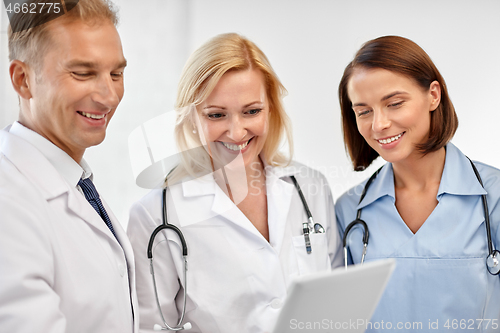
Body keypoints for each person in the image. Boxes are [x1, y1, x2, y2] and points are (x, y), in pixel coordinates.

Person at [127, 32, 343, 333]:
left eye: (252, 111)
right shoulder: (155, 215)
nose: (237, 132)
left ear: (271, 109)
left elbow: (337, 304)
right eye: (216, 115)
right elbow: (150, 327)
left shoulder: (309, 187)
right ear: (190, 118)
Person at [335, 35, 500, 331]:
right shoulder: (349, 211)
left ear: (433, 96)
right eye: (364, 111)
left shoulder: (495, 196)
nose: (379, 125)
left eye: (395, 103)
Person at [0, 1, 138, 332]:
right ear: (23, 80)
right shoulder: (9, 199)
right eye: (83, 73)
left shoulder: (76, 182)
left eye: (116, 74)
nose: (109, 96)